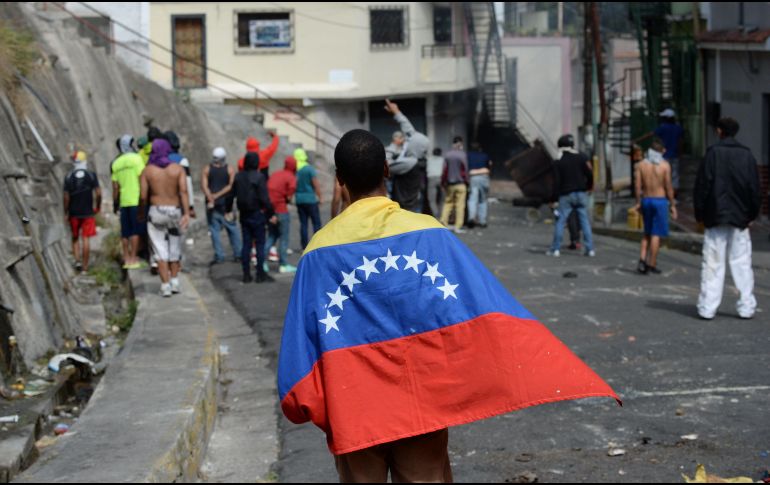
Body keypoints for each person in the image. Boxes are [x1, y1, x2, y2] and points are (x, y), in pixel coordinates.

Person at [277, 129, 619, 483]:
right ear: (387, 171)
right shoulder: (430, 232)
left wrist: (319, 408)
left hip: (355, 411)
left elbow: (301, 352)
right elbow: (479, 309)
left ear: (339, 180)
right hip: (421, 405)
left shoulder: (317, 252)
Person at [694, 117, 760, 320]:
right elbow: (754, 188)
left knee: (713, 263)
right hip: (740, 217)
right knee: (741, 263)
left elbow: (702, 186)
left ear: (719, 131)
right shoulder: (747, 155)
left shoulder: (713, 154)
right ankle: (746, 306)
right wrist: (752, 214)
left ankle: (708, 307)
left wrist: (700, 213)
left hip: (715, 215)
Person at [139, 138, 190, 297]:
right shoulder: (177, 169)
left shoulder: (148, 171)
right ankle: (175, 281)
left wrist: (141, 212)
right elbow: (183, 191)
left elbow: (142, 196)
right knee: (174, 248)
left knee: (160, 250)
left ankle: (165, 285)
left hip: (156, 212)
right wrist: (187, 213)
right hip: (174, 211)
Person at [547, 134, 595, 257]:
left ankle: (555, 249)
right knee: (584, 222)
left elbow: (556, 182)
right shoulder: (581, 157)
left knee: (560, 221)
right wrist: (589, 186)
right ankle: (590, 249)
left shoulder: (558, 161)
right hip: (581, 193)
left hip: (566, 195)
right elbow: (590, 174)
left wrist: (553, 199)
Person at [634, 140, 677, 275]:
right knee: (656, 234)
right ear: (661, 151)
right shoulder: (664, 166)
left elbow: (637, 186)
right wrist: (672, 204)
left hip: (646, 199)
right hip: (660, 200)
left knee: (647, 232)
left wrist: (638, 202)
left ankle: (642, 260)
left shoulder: (641, 165)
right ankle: (651, 263)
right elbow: (668, 187)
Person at [234, 152, 276, 283]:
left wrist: (228, 209)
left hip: (244, 214)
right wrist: (270, 213)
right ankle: (260, 273)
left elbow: (231, 194)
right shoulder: (259, 177)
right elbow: (264, 198)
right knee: (259, 244)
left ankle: (246, 274)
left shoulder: (238, 176)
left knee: (246, 244)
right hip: (257, 214)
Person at [384, 99, 430, 213]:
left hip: (405, 206)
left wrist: (393, 145)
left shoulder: (409, 163)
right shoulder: (419, 159)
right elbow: (410, 131)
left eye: (408, 141)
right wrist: (397, 112)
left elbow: (385, 165)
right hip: (413, 203)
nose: (406, 141)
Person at [202, 147, 242, 265]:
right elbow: (230, 186)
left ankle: (219, 256)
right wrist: (217, 195)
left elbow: (204, 185)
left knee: (214, 230)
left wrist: (211, 196)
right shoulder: (229, 169)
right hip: (226, 205)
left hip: (212, 205)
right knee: (232, 229)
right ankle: (238, 254)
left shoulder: (207, 169)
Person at [63, 151, 101, 273]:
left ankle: (77, 260)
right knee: (85, 238)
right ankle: (85, 267)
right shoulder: (91, 175)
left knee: (74, 238)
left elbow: (66, 197)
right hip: (88, 212)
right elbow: (98, 193)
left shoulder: (68, 176)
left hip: (74, 212)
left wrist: (66, 212)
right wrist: (98, 206)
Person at [111, 135, 145, 269]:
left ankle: (125, 258)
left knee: (125, 232)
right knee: (135, 230)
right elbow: (141, 179)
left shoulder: (116, 163)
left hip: (124, 201)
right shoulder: (137, 159)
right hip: (136, 200)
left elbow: (115, 187)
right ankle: (133, 258)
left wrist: (115, 203)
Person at [265, 155, 298, 274]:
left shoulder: (276, 174)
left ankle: (262, 262)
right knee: (284, 238)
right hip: (281, 210)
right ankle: (283, 264)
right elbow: (289, 197)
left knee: (271, 236)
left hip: (270, 211)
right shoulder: (291, 178)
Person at [439, 136, 469, 233]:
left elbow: (444, 170)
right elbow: (465, 170)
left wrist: (443, 183)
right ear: (460, 143)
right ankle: (458, 226)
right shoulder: (462, 155)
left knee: (448, 203)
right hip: (460, 184)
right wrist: (467, 182)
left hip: (450, 184)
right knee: (460, 205)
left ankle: (443, 222)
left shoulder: (447, 155)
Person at [165, 131, 197, 219]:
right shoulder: (182, 161)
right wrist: (190, 206)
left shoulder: (159, 160)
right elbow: (188, 185)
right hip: (177, 204)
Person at [295, 150, 322, 249]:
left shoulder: (295, 170)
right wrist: (320, 197)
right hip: (310, 199)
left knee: (303, 223)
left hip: (299, 199)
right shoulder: (309, 169)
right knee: (316, 222)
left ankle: (304, 245)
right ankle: (318, 244)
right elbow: (315, 184)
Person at [654, 108, 685, 192]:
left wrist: (637, 140)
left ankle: (665, 191)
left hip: (664, 155)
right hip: (675, 154)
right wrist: (680, 153)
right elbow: (680, 142)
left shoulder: (662, 128)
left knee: (664, 174)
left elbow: (653, 135)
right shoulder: (678, 128)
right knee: (675, 174)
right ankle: (674, 191)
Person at [466, 142, 492, 228]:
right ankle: (482, 221)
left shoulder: (468, 155)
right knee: (482, 200)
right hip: (484, 177)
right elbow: (490, 165)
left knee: (473, 199)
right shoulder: (485, 155)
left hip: (473, 177)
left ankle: (471, 218)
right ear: (479, 148)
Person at [425, 147, 445, 218]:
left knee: (431, 199)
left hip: (431, 178)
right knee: (442, 199)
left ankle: (436, 215)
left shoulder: (429, 159)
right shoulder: (443, 160)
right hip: (441, 178)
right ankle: (441, 215)